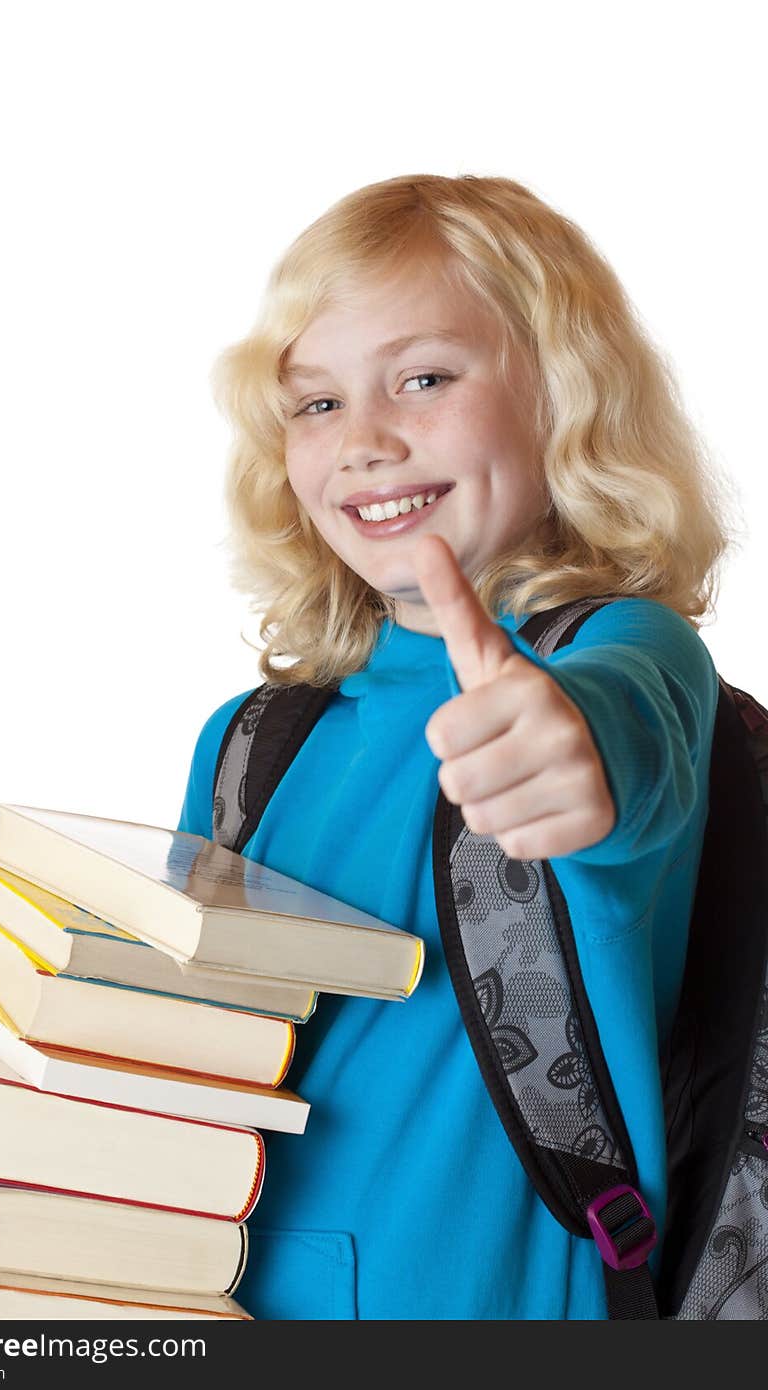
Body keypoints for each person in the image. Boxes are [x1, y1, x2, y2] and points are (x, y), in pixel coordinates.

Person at [177, 173, 740, 1319]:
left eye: (422, 379)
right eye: (315, 403)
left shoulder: (627, 654)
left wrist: (570, 746)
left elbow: (624, 727)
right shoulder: (250, 743)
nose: (366, 440)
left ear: (562, 396)